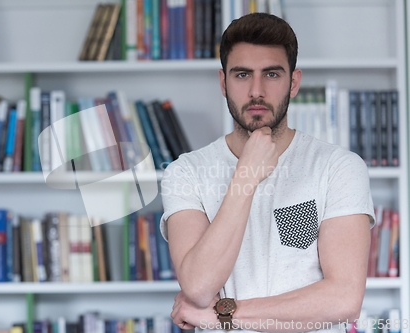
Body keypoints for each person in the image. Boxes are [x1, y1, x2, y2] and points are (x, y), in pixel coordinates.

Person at [159, 13, 375, 333]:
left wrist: (222, 314)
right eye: (242, 74)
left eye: (272, 74)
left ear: (294, 82)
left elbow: (343, 299)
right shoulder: (185, 172)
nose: (256, 91)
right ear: (223, 83)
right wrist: (245, 176)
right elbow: (199, 286)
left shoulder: (339, 167)